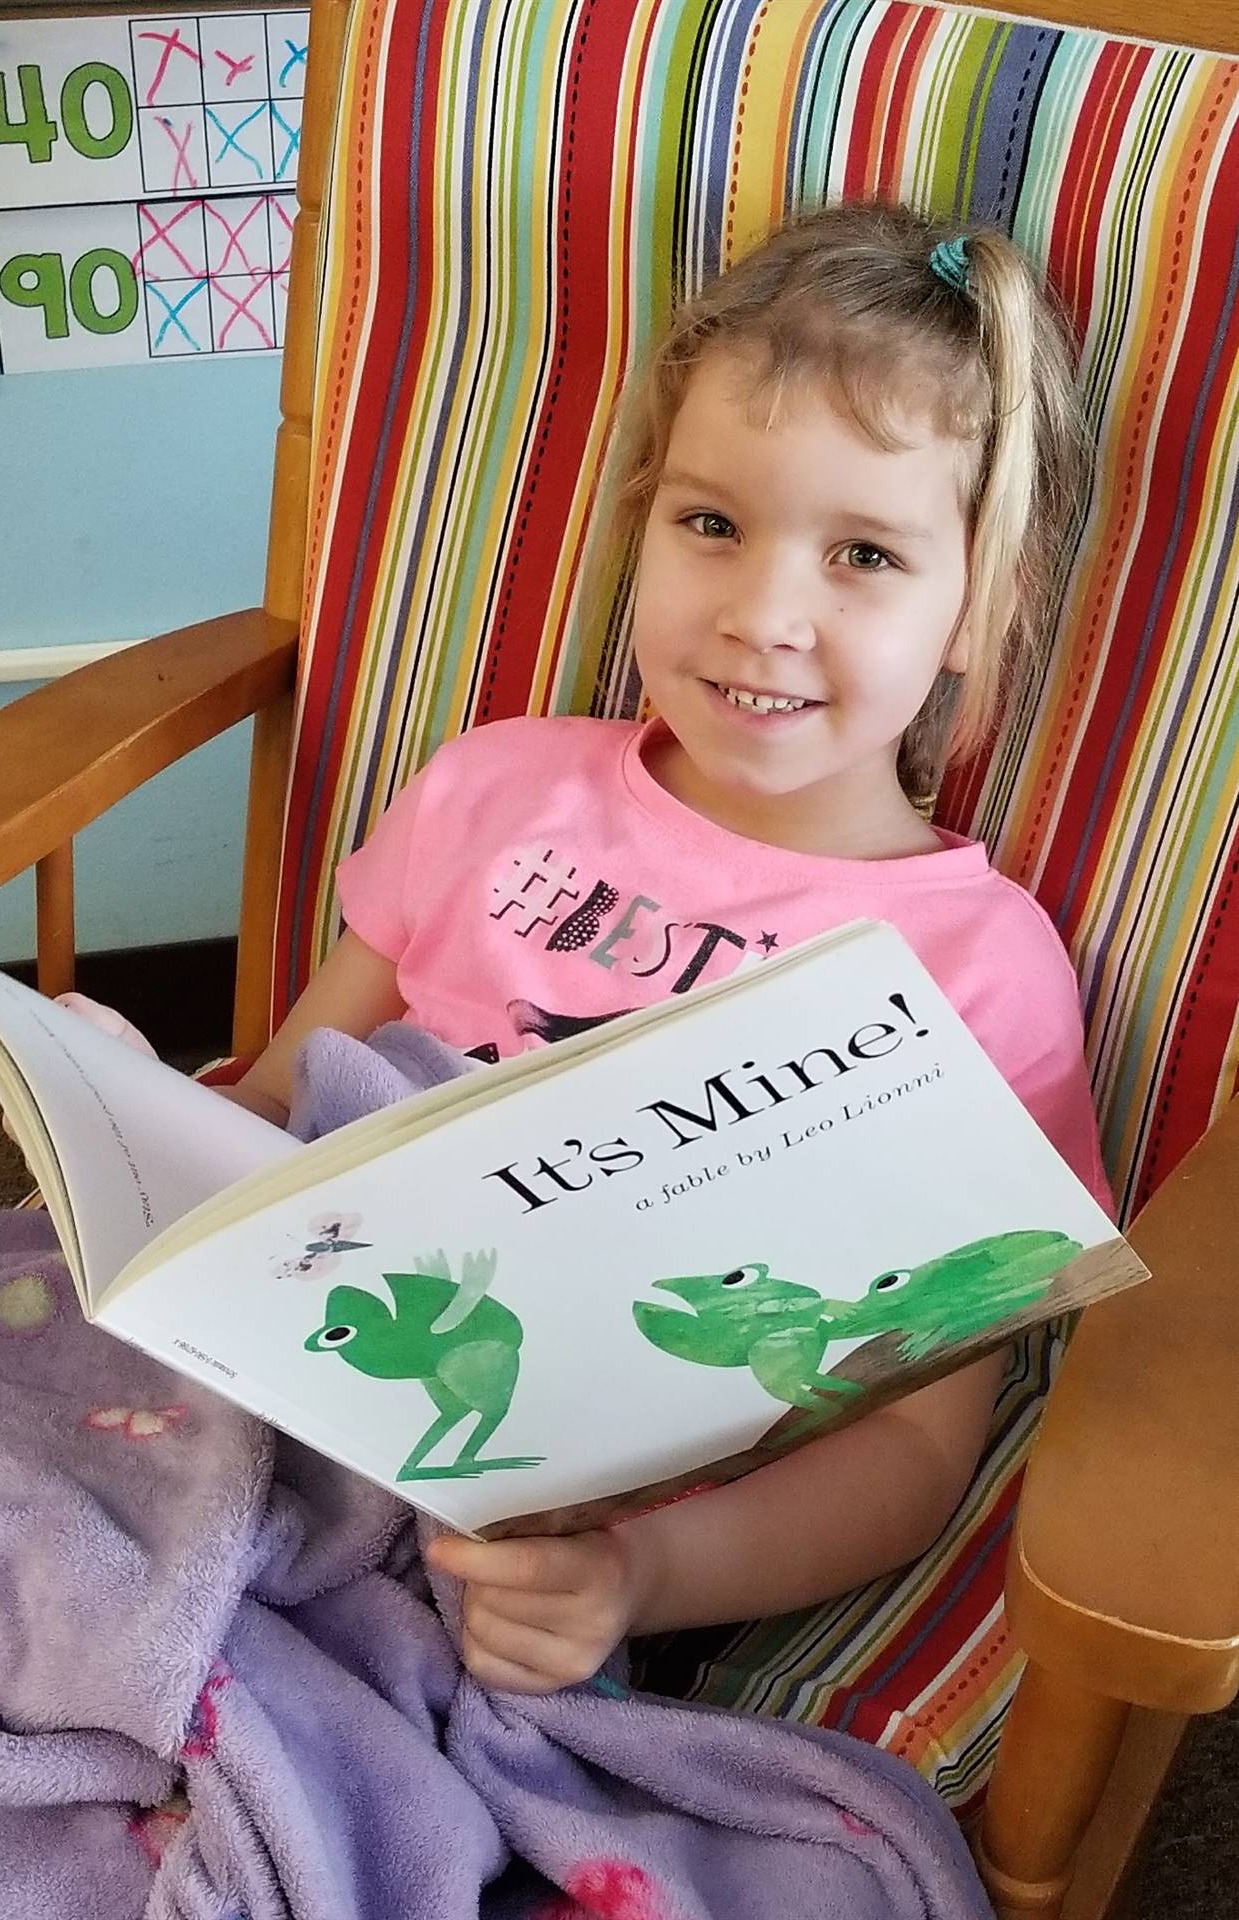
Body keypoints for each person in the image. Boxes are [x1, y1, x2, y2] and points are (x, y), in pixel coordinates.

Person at [70, 201, 1109, 1698]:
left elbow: (913, 1446)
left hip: (548, 1521)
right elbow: (285, 1111)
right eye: (711, 524)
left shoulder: (976, 971)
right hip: (272, 1366)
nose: (763, 615)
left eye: (866, 554)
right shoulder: (496, 788)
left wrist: (641, 1575)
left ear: (977, 607)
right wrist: (124, 1112)